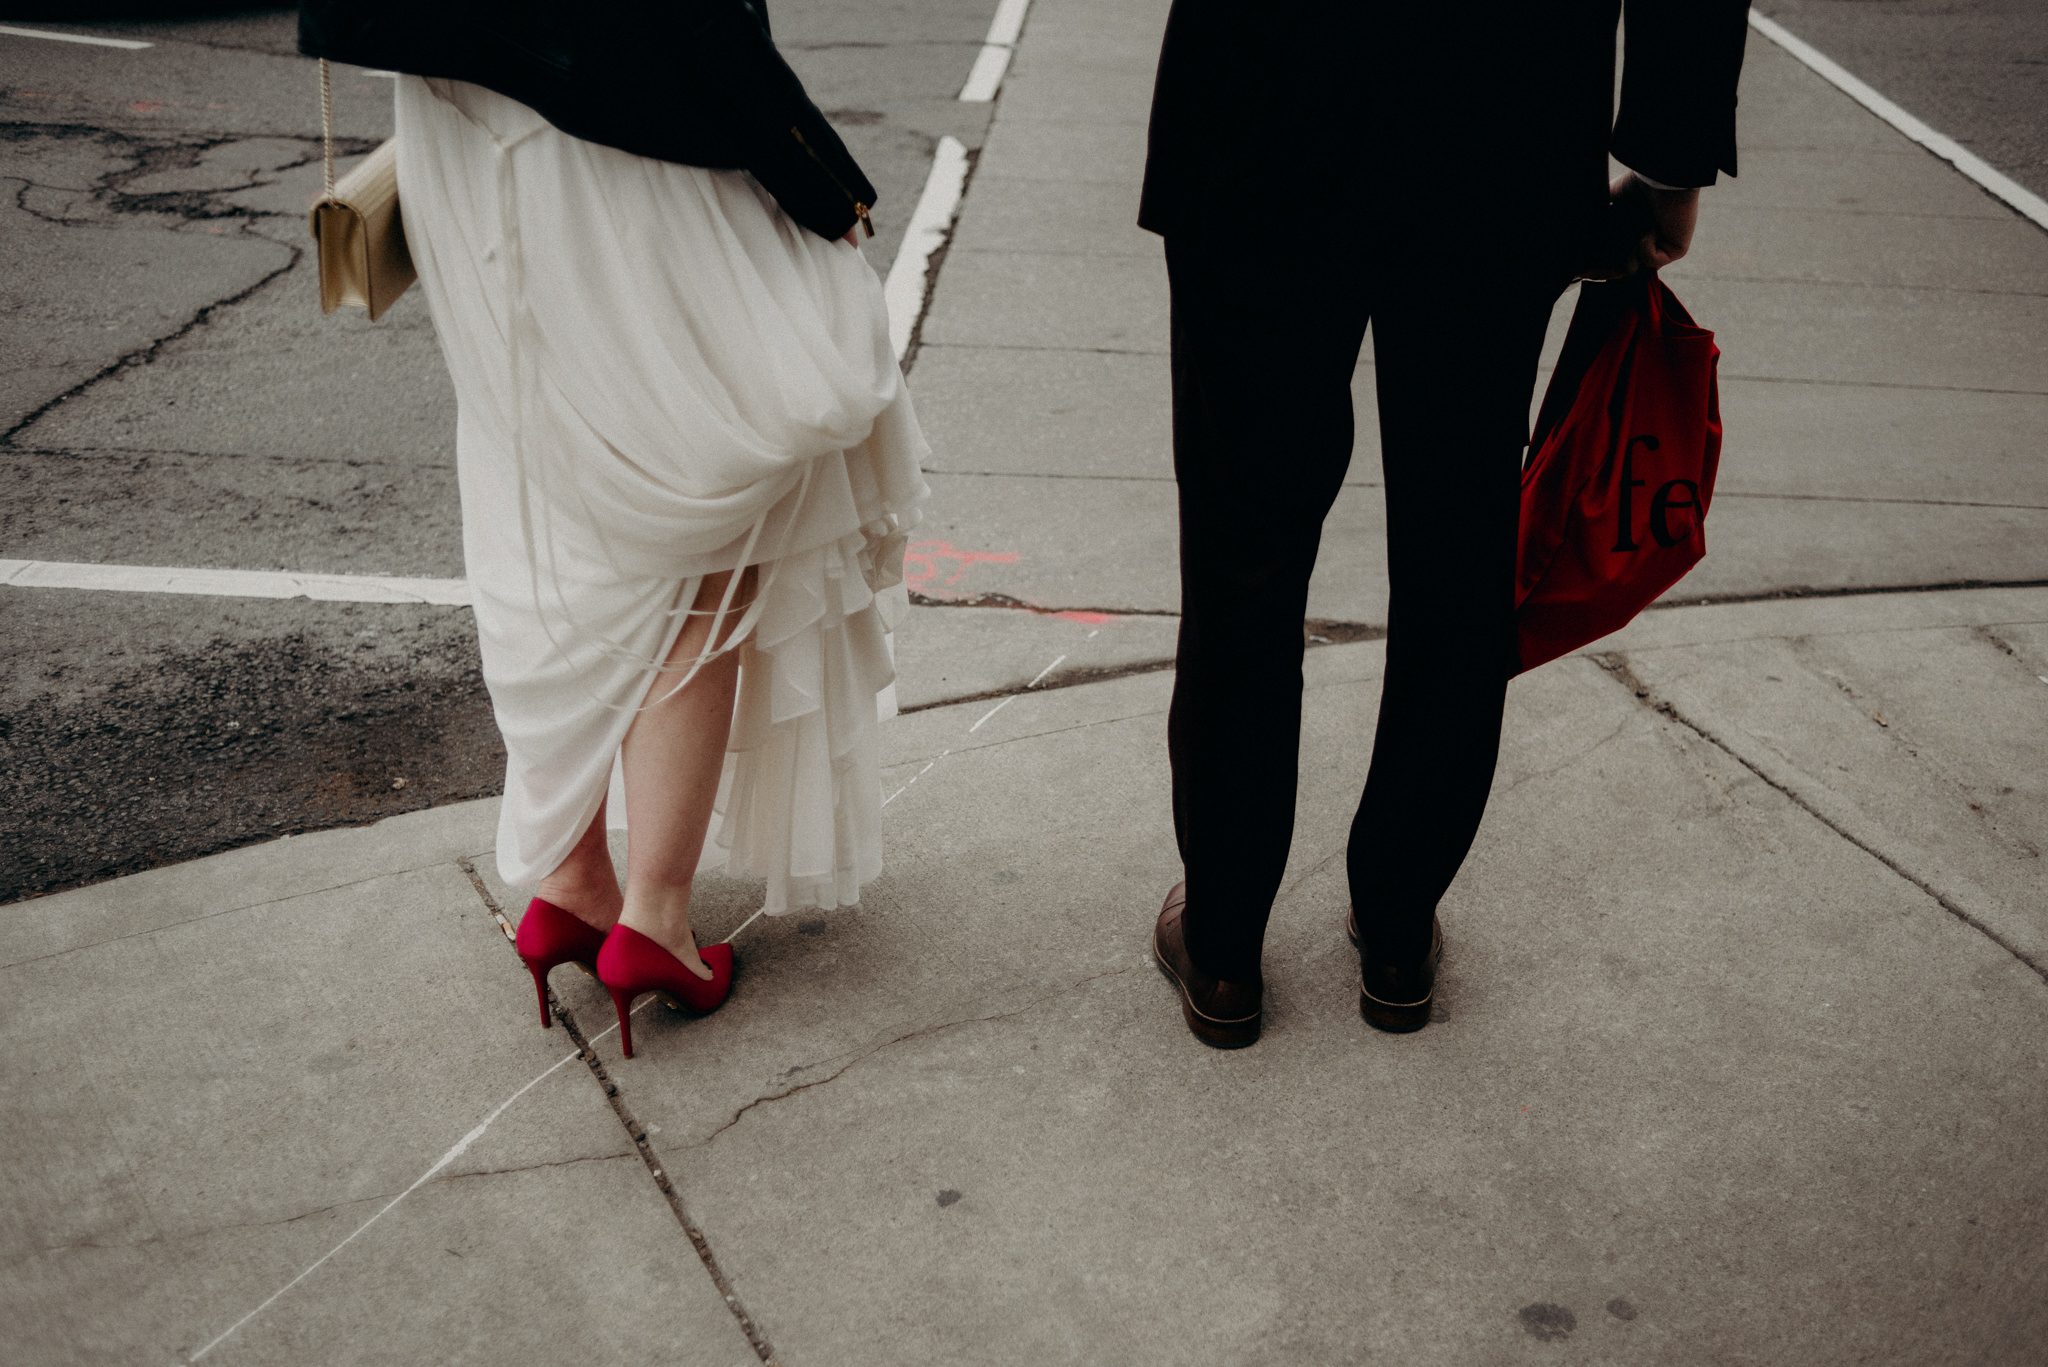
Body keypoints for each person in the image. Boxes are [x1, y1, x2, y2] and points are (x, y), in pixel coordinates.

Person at [299, 1, 930, 1057]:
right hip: (614, 115)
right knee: (709, 501)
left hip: (449, 105)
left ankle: (572, 879)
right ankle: (655, 916)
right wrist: (818, 178)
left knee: (537, 477)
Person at [1139, 0, 1750, 1047]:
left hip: (1256, 101)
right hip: (1498, 111)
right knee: (1456, 537)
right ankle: (1395, 928)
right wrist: (1666, 154)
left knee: (1245, 537)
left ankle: (1226, 942)